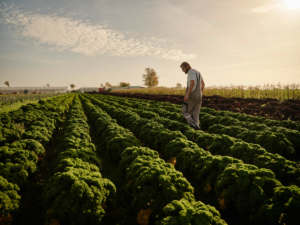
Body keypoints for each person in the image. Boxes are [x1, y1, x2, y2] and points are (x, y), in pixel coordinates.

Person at [180, 62, 205, 130]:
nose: (183, 70)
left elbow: (193, 83)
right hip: (199, 95)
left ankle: (193, 125)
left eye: (183, 68)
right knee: (195, 114)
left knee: (184, 111)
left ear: (187, 66)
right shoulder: (198, 72)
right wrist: (200, 93)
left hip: (192, 94)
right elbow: (203, 84)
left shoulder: (190, 72)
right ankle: (197, 130)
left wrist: (187, 95)